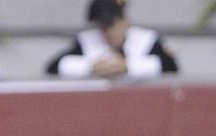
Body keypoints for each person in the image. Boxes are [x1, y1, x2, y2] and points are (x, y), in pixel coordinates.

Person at [46, 0, 178, 80]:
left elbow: (171, 67)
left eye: (111, 25)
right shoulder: (86, 41)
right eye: (102, 26)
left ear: (124, 22)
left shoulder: (146, 40)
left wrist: (128, 67)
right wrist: (91, 67)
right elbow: (54, 67)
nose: (107, 32)